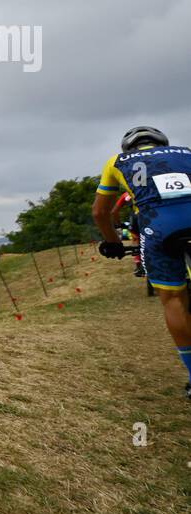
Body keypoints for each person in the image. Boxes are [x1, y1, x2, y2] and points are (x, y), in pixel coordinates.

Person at [94, 126, 191, 398]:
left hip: (158, 225)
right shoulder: (186, 153)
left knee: (173, 298)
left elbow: (101, 212)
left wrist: (113, 241)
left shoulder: (116, 162)